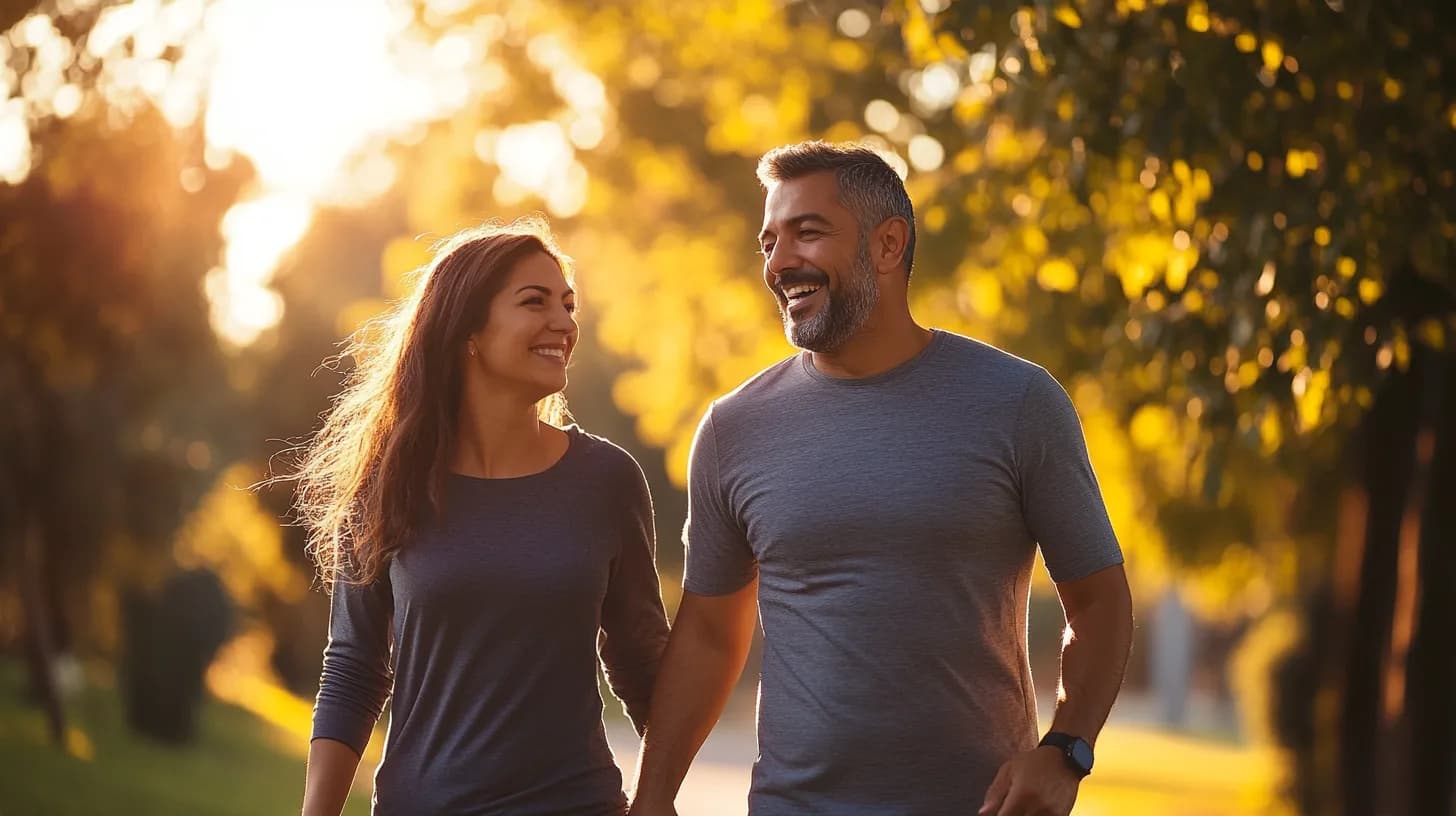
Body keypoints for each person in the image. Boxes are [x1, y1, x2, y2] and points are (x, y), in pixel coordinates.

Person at [628, 142, 1134, 816]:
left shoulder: (1017, 402)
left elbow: (1099, 603)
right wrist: (653, 798)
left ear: (889, 244)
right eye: (769, 241)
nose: (779, 263)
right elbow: (710, 635)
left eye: (807, 232)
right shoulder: (733, 428)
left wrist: (1067, 749)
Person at [292, 218, 670, 816]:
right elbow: (355, 669)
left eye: (568, 306)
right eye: (535, 302)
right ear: (468, 328)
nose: (565, 323)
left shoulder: (606, 480)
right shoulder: (387, 483)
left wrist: (659, 800)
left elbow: (642, 660)